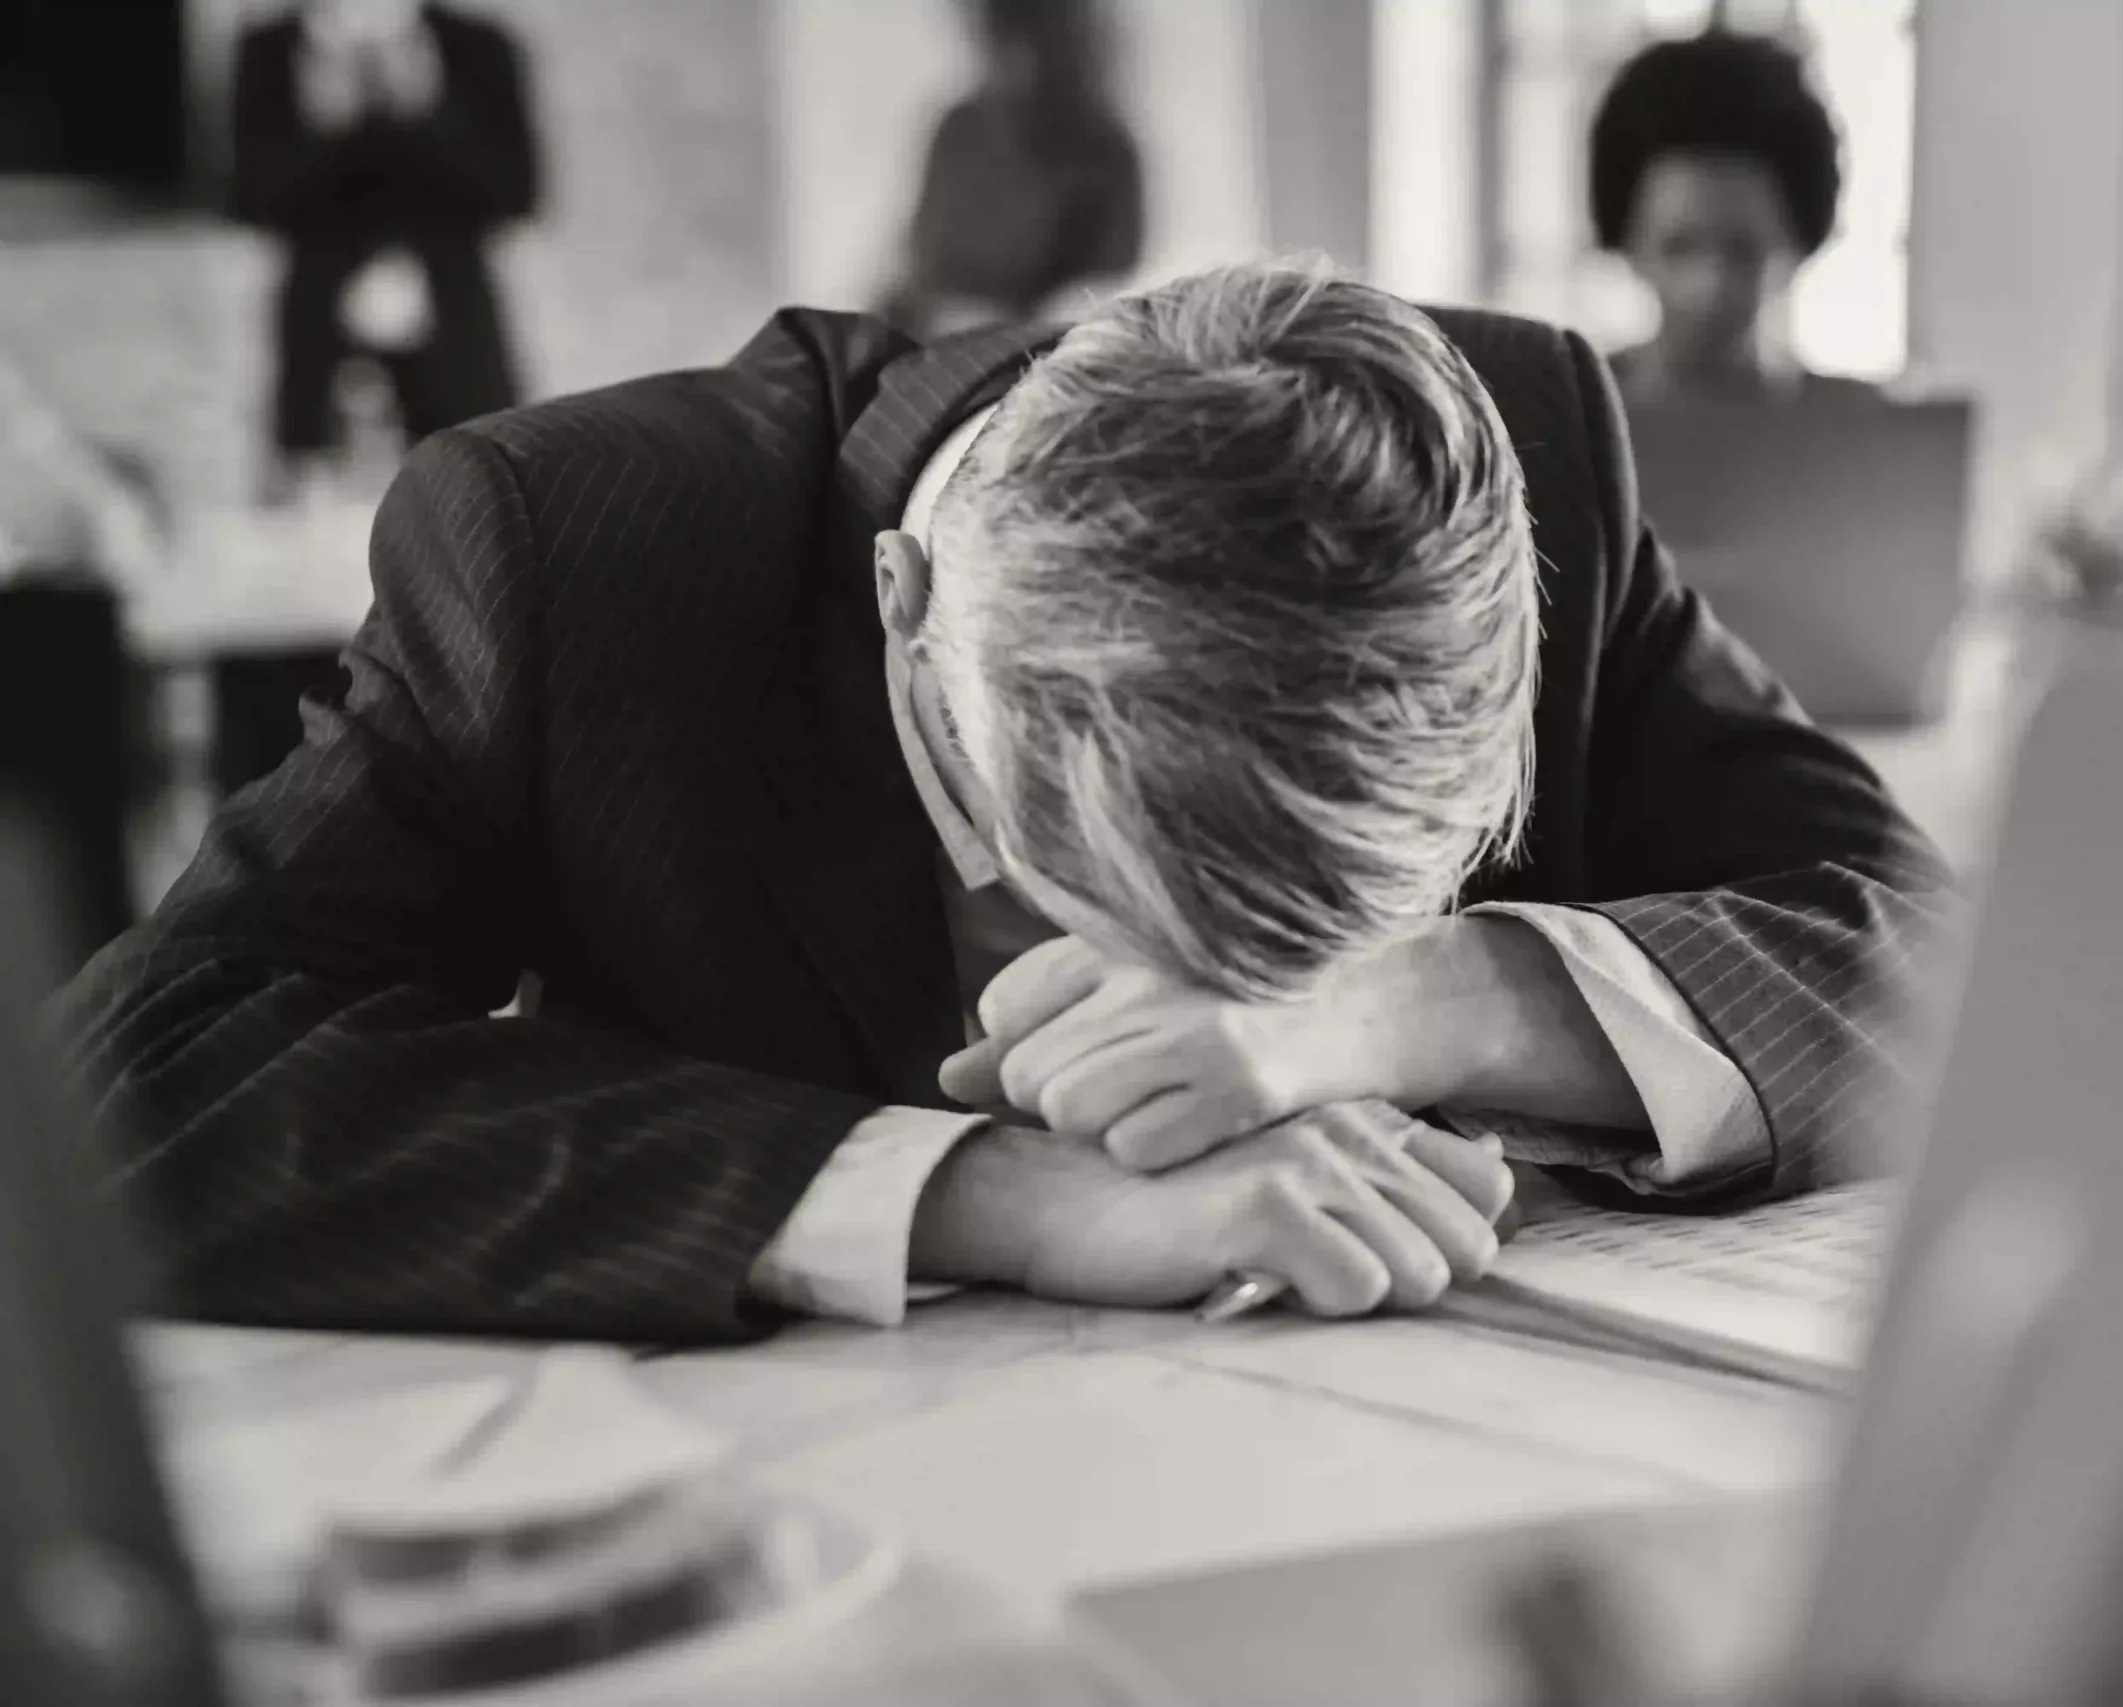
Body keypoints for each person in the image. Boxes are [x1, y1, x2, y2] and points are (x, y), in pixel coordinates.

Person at [54, 264, 1950, 1344]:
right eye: (1089, 900)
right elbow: (119, 1094)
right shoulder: (575, 560)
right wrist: (996, 1195)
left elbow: (1951, 959)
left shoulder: (1531, 457)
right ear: (906, 614)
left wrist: (1405, 1003)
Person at [228, 0, 539, 491]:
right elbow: (247, 198)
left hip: (457, 336)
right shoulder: (272, 50)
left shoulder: (474, 46)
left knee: (475, 499)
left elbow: (516, 191)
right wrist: (331, 122)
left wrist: (423, 110)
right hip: (318, 340)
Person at [1588, 28, 1861, 406]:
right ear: (1629, 244)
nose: (1710, 288)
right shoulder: (1566, 422)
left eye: (1743, 250)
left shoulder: (1859, 430)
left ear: (1796, 246)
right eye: (1678, 248)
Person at [880, 0, 1144, 339]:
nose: (1012, 63)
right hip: (941, 333)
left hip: (1038, 348)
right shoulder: (959, 128)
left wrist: (1015, 325)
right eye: (996, 41)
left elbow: (1104, 279)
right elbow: (922, 252)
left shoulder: (1105, 149)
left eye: (1024, 42)